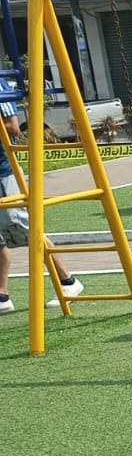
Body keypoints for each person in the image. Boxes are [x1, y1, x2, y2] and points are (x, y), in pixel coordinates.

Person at [0, 98, 85, 314]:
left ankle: (68, 280)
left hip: (3, 173)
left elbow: (12, 127)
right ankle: (2, 295)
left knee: (26, 228)